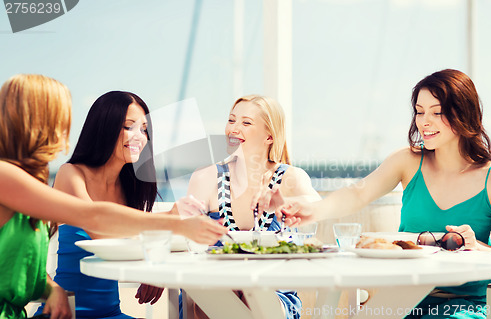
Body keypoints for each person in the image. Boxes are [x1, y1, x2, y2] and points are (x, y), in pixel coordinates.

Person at [261, 69, 491, 318]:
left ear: (463, 113)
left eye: (436, 112)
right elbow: (358, 195)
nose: (424, 121)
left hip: (464, 307)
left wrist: (477, 247)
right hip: (402, 301)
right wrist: (311, 211)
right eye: (419, 111)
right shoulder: (408, 161)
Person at [0, 74, 227, 319]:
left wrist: (53, 289)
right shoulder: (12, 176)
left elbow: (24, 264)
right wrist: (174, 222)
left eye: (144, 129)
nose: (64, 131)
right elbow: (96, 220)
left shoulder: (31, 183)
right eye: (60, 119)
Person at [186, 94, 321, 319]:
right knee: (218, 291)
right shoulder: (205, 177)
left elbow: (317, 206)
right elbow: (183, 235)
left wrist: (286, 202)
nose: (234, 129)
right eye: (231, 121)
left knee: (254, 295)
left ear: (269, 136)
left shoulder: (290, 177)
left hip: (273, 295)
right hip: (209, 291)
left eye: (246, 123)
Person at [34, 91, 165, 318]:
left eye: (144, 129)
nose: (140, 137)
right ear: (104, 127)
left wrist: (156, 268)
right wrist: (153, 265)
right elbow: (103, 235)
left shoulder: (130, 187)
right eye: (129, 126)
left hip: (112, 313)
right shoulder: (72, 174)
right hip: (67, 312)